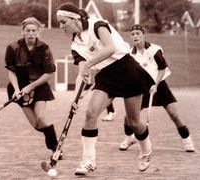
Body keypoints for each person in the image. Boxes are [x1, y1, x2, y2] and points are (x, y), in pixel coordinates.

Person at [56, 2, 155, 175]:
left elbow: (111, 48)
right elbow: (82, 73)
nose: (60, 26)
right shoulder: (75, 45)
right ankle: (89, 161)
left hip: (128, 70)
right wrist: (74, 98)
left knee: (134, 122)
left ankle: (146, 151)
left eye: (63, 22)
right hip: (106, 75)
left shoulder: (97, 24)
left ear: (75, 19)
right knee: (90, 113)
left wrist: (89, 64)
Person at [119, 24, 195, 152]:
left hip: (160, 85)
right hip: (142, 87)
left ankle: (187, 140)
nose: (135, 36)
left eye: (138, 33)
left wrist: (155, 84)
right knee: (128, 117)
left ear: (144, 34)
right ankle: (130, 138)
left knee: (174, 114)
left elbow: (162, 68)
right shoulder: (130, 54)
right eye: (133, 34)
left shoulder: (154, 50)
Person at [4, 17, 62, 158]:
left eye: (34, 30)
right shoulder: (12, 48)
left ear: (39, 32)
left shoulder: (44, 48)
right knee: (36, 125)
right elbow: (11, 71)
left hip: (39, 85)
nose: (31, 33)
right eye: (28, 30)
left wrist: (31, 86)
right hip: (19, 87)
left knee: (41, 117)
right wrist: (17, 90)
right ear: (22, 32)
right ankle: (52, 138)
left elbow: (49, 73)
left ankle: (56, 148)